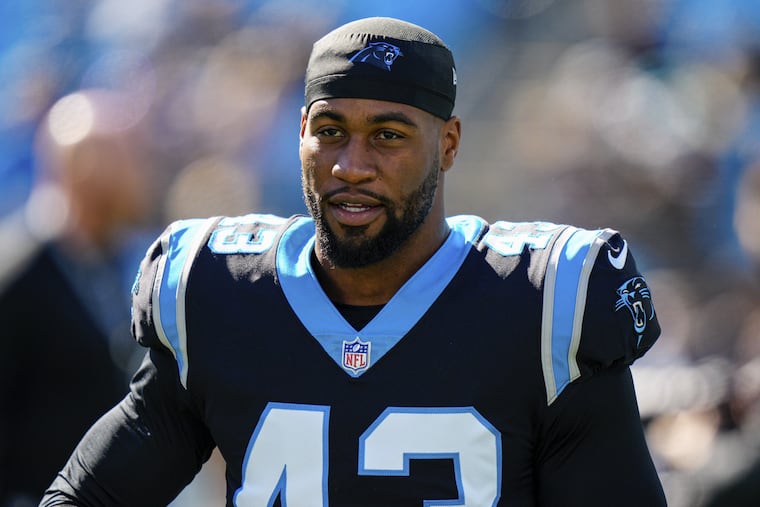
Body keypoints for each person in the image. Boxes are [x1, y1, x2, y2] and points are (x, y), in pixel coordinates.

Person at [41, 17, 666, 506]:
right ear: (301, 134)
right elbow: (86, 497)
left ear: (448, 144)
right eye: (331, 131)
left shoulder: (545, 302)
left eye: (388, 136)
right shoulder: (219, 292)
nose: (351, 165)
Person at [0, 90, 152, 506]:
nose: (138, 175)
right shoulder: (16, 274)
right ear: (85, 167)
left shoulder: (110, 261)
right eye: (124, 158)